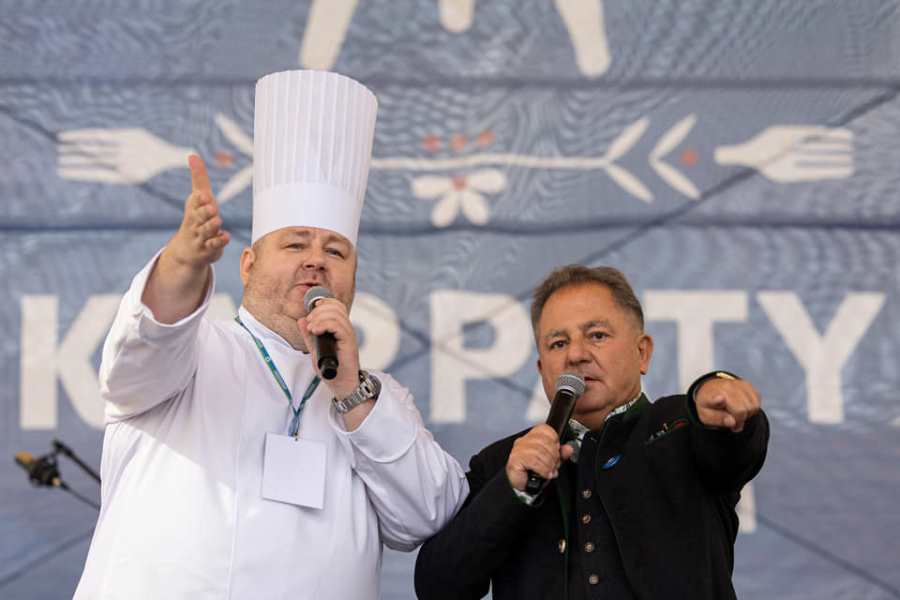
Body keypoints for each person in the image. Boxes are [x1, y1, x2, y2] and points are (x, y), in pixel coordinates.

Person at [74, 70, 468, 600]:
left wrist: (350, 391)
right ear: (247, 264)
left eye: (335, 251)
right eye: (295, 244)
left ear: (354, 279)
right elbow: (145, 347)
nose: (315, 261)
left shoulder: (375, 396)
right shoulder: (195, 351)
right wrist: (182, 263)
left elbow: (427, 516)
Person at [414, 265, 768, 600]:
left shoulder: (683, 425)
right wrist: (511, 492)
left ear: (642, 352)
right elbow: (438, 587)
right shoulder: (504, 463)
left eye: (597, 336)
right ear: (542, 368)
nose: (576, 354)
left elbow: (737, 449)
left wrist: (717, 395)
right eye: (558, 343)